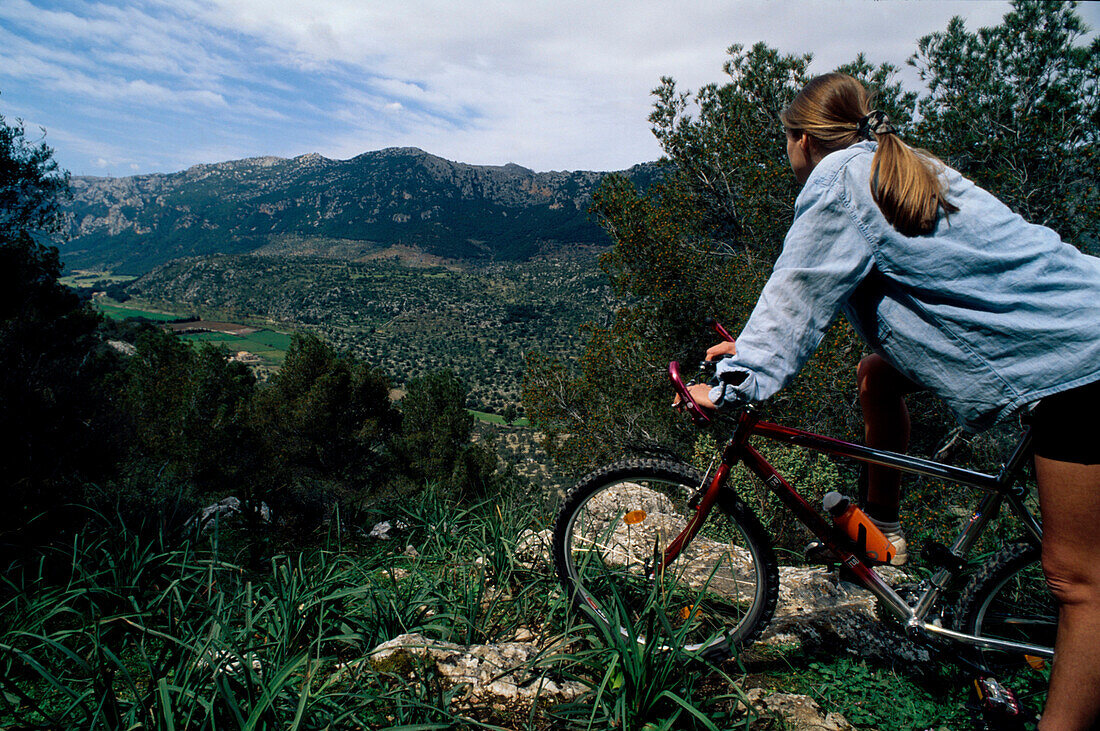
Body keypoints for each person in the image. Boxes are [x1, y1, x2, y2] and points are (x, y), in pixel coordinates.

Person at [682, 72, 1100, 730]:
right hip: (1070, 329)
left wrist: (735, 384)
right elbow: (838, 299)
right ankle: (884, 534)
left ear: (800, 139)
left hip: (1081, 360)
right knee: (877, 374)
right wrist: (748, 354)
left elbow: (797, 290)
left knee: (1079, 582)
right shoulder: (894, 162)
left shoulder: (838, 182)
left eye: (785, 142)